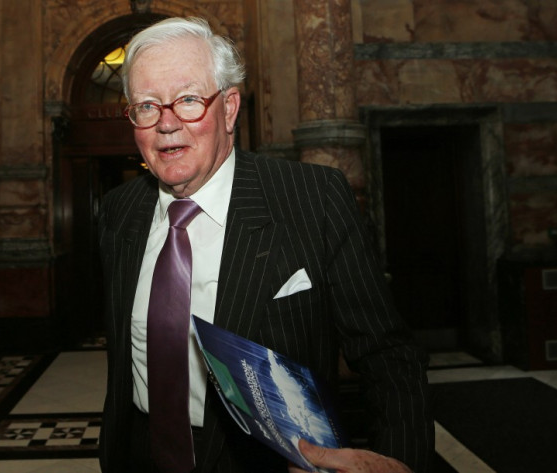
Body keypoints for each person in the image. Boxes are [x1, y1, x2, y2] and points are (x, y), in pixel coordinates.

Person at [97, 16, 433, 473]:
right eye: (147, 106)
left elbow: (387, 355)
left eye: (189, 100)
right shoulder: (120, 213)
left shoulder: (313, 198)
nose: (167, 124)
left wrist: (399, 462)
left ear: (230, 108)